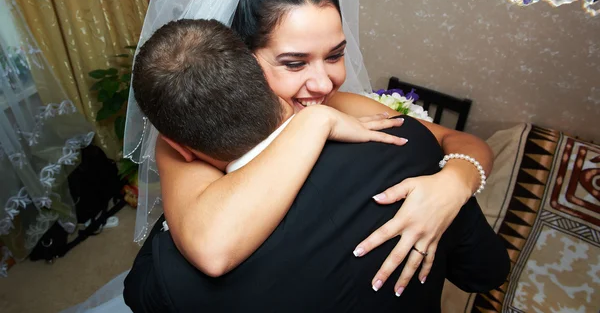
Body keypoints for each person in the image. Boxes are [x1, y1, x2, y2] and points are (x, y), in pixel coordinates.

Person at [121, 0, 495, 292]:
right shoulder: (196, 139)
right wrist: (314, 122)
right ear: (239, 58)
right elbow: (212, 247)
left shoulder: (343, 104)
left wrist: (453, 184)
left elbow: (462, 143)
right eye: (294, 63)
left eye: (334, 55)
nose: (323, 82)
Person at [123, 18, 509, 312]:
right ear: (260, 75)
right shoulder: (407, 143)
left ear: (179, 149)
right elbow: (484, 271)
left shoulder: (170, 278)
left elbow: (138, 292)